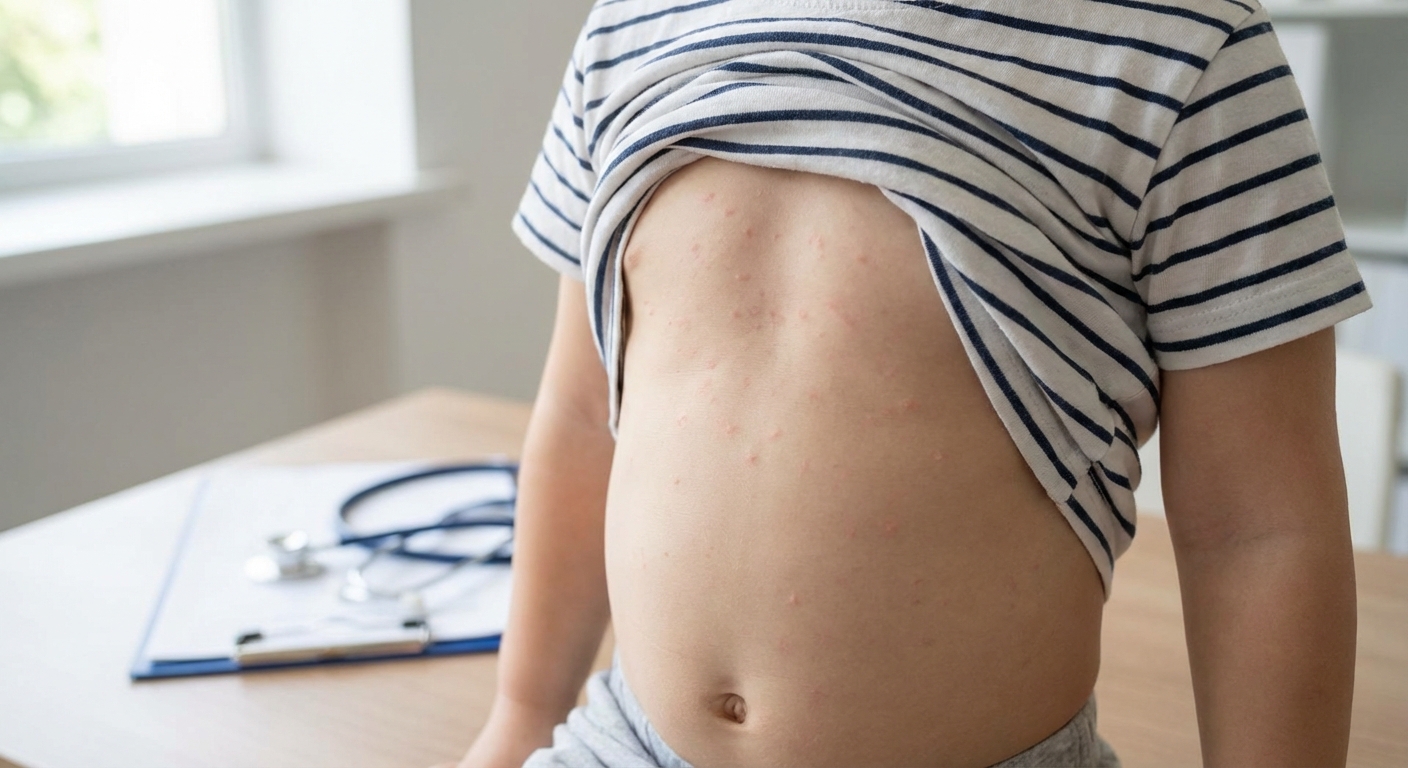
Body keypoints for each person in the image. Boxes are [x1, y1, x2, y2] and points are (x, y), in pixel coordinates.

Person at [457, 0, 1368, 765]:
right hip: (629, 743)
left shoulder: (1185, 48)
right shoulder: (639, 19)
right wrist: (524, 710)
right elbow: (584, 419)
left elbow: (1261, 529)